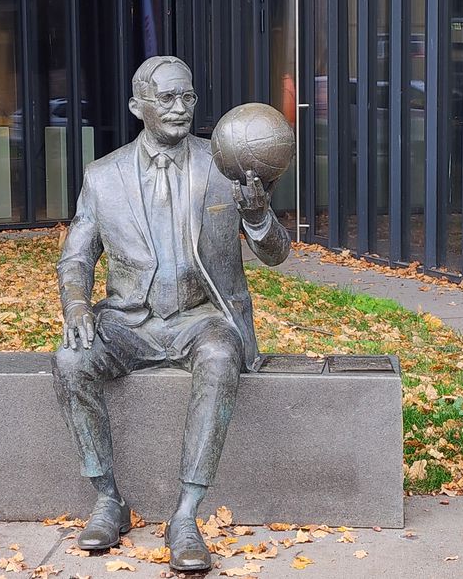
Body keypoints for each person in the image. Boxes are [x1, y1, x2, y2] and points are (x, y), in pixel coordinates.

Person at [53, 56, 290, 572]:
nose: (180, 108)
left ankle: (185, 515)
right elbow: (76, 256)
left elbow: (276, 253)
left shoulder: (227, 167)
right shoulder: (103, 177)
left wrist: (257, 215)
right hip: (126, 322)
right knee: (70, 361)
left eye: (188, 98)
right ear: (139, 106)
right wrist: (76, 305)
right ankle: (107, 498)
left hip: (202, 318)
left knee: (221, 360)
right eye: (167, 99)